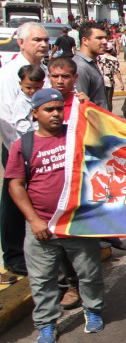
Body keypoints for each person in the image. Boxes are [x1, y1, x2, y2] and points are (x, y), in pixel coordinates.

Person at [6, 88, 106, 343]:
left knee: (89, 272)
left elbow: (109, 138)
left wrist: (91, 108)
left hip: (77, 223)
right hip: (41, 227)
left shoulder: (77, 136)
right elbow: (16, 186)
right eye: (48, 109)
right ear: (34, 113)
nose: (55, 114)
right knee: (42, 281)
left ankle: (93, 310)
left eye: (59, 109)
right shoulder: (24, 145)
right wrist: (34, 220)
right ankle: (46, 324)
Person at [0, 22, 50, 276]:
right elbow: (7, 118)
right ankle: (14, 255)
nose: (42, 44)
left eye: (45, 40)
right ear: (21, 42)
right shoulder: (9, 73)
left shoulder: (43, 70)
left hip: (42, 146)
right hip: (18, 147)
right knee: (13, 198)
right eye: (36, 40)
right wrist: (19, 150)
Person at [74, 21, 109, 109]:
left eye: (105, 38)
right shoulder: (80, 67)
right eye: (99, 38)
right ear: (85, 40)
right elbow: (82, 105)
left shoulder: (91, 63)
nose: (105, 42)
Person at [98, 46, 124, 110]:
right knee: (109, 101)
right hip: (109, 82)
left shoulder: (98, 58)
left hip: (99, 81)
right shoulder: (114, 59)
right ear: (112, 50)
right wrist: (121, 83)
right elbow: (117, 72)